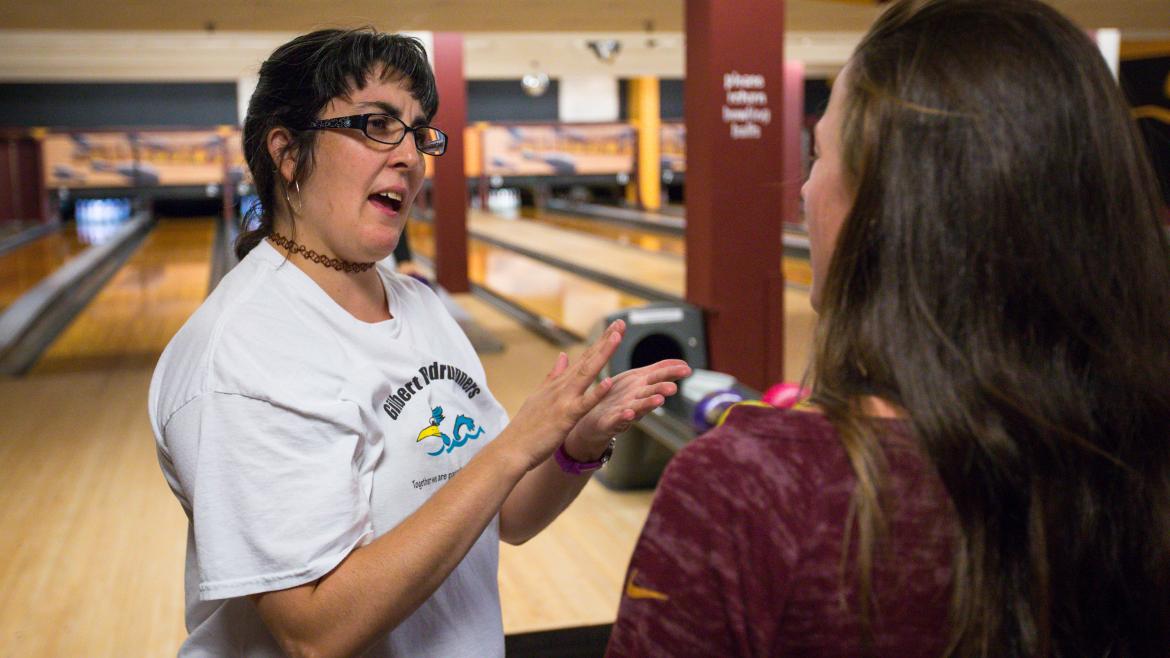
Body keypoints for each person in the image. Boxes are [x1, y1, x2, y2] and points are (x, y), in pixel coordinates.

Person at [608, 0, 1170, 656]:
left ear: (886, 208)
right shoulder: (1138, 455)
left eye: (817, 154)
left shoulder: (746, 488)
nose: (802, 192)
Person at [149, 28, 690, 657]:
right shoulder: (241, 352)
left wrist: (576, 444)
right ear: (288, 154)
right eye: (377, 124)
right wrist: (513, 447)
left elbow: (507, 514)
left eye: (417, 131)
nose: (409, 154)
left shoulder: (419, 306)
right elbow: (316, 632)